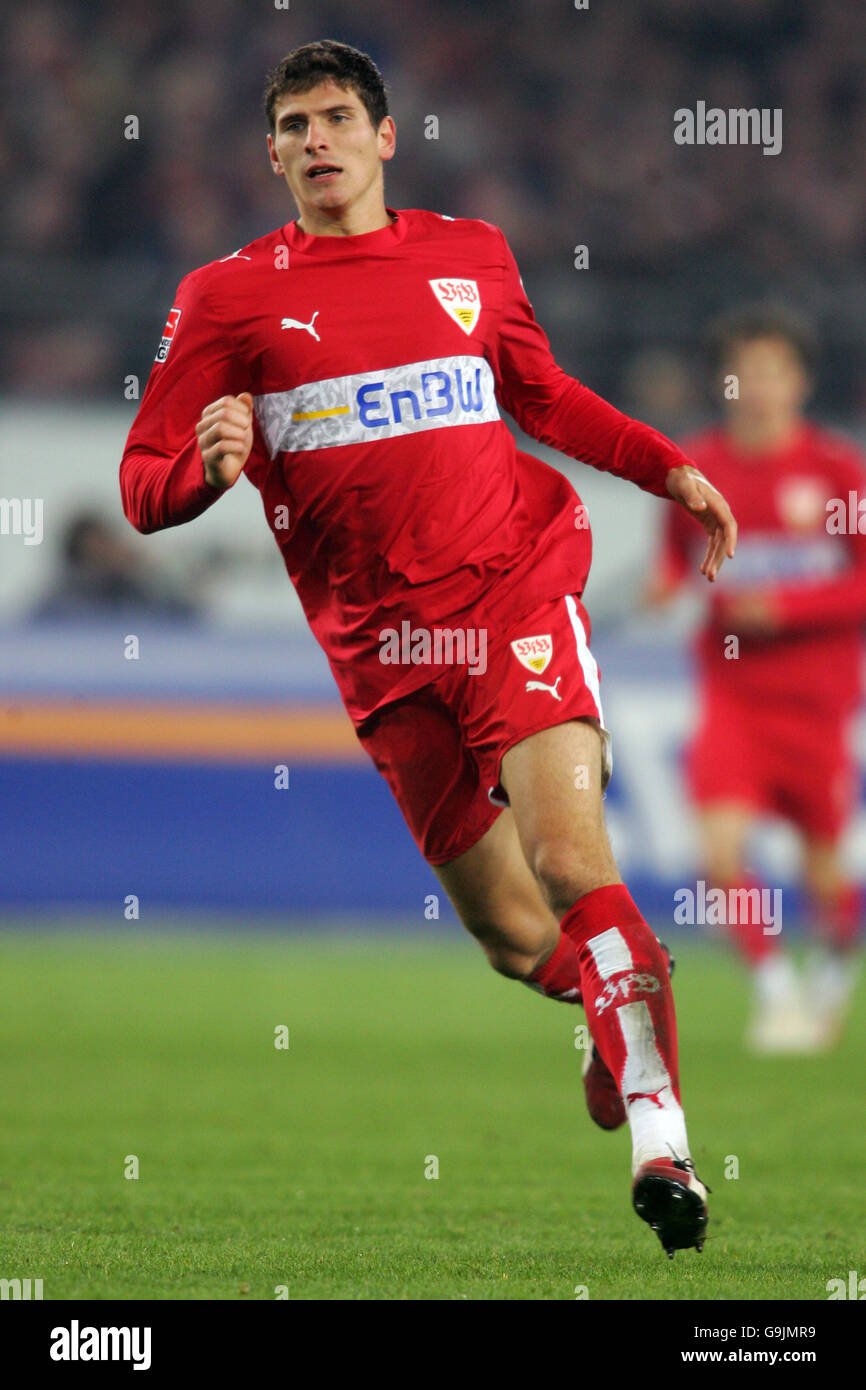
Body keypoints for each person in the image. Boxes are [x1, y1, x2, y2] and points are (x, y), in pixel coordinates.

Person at [120, 40, 737, 1255]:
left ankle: (661, 1135)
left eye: (338, 117)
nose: (317, 141)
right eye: (293, 125)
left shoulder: (471, 255)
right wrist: (207, 470)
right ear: (272, 153)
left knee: (568, 860)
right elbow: (141, 483)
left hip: (510, 593)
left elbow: (543, 395)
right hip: (380, 647)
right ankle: (622, 998)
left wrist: (664, 465)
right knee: (518, 939)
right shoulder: (225, 297)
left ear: (386, 136)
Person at [650, 306, 865, 1052]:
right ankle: (777, 996)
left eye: (776, 371)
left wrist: (785, 606)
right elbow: (677, 557)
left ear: (800, 381)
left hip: (817, 704)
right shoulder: (694, 471)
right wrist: (665, 583)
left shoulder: (837, 474)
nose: (760, 387)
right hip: (732, 698)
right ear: (727, 382)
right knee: (716, 852)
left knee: (825, 878)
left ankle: (832, 975)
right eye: (747, 372)